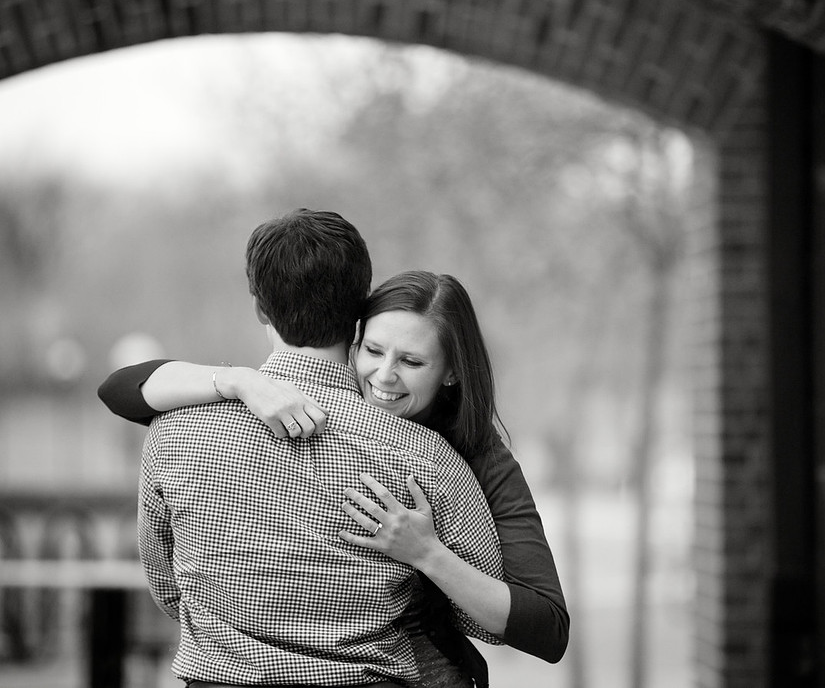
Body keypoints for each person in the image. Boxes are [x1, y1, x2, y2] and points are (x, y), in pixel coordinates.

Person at [99, 271, 569, 687]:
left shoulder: (476, 458)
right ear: (354, 340)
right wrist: (241, 380)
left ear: (450, 373)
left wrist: (426, 553)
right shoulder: (295, 401)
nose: (383, 376)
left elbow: (545, 628)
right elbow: (123, 389)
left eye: (412, 361)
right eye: (374, 350)